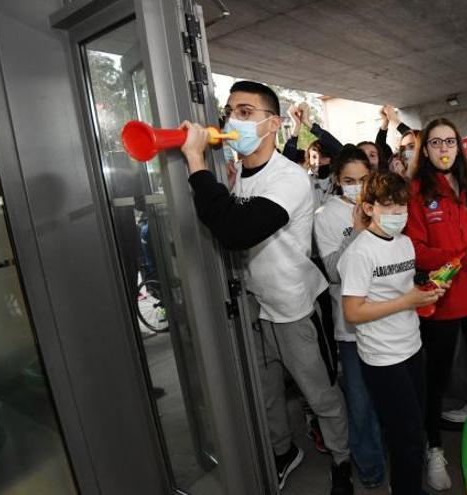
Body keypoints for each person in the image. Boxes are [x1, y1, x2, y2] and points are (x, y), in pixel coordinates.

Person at [179, 80, 352, 493]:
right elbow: (226, 219)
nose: (231, 121)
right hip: (256, 308)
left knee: (320, 395)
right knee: (267, 391)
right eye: (229, 112)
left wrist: (194, 160)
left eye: (244, 112)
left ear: (273, 123)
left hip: (295, 310)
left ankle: (344, 459)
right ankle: (282, 450)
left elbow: (237, 231)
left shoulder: (289, 179)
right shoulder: (240, 175)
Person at [339, 171, 444, 495]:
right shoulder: (359, 252)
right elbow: (352, 312)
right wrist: (406, 301)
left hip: (412, 346)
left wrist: (426, 291)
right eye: (389, 206)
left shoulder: (405, 242)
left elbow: (404, 289)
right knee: (408, 435)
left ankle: (406, 485)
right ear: (368, 208)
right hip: (383, 359)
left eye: (402, 206)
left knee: (412, 431)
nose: (399, 214)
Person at [405, 118, 467, 491]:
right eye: (436, 143)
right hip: (441, 299)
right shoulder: (417, 191)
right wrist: (462, 255)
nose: (443, 149)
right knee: (435, 379)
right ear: (425, 150)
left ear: (459, 147)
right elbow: (418, 253)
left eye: (450, 142)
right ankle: (434, 447)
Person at [314, 145, 386, 488]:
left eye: (364, 179)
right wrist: (358, 231)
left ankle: (392, 461)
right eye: (349, 180)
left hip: (386, 323)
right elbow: (332, 272)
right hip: (352, 329)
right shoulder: (326, 216)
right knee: (360, 405)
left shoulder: (384, 207)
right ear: (338, 181)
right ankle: (371, 470)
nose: (358, 185)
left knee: (387, 400)